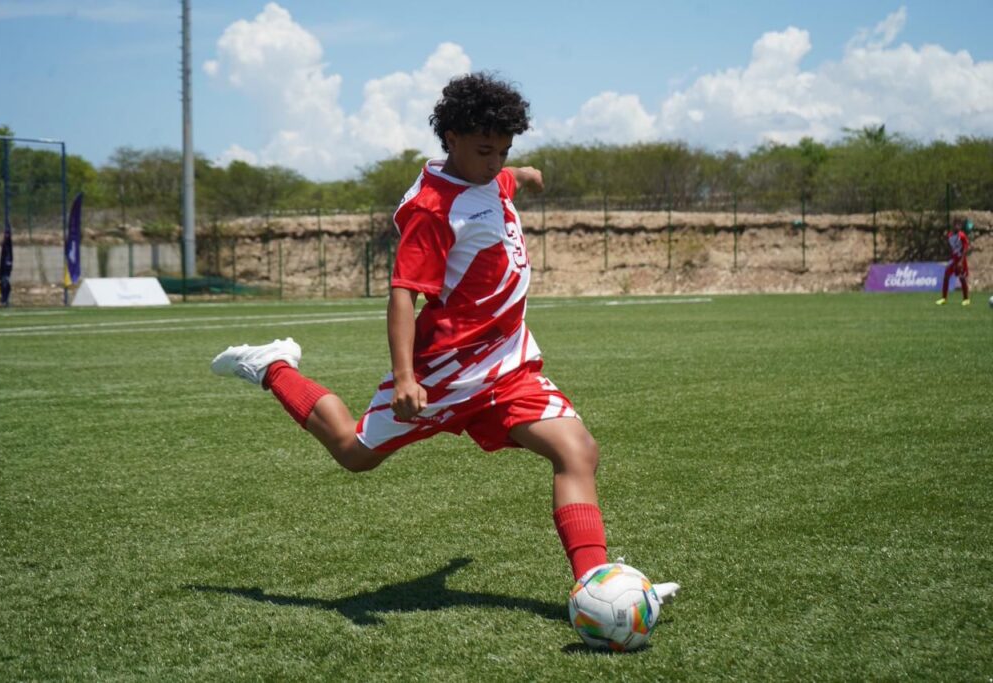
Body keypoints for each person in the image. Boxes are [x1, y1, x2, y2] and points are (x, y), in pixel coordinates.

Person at [210, 72, 678, 606]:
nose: (495, 162)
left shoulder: (488, 176)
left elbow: (503, 178)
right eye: (486, 151)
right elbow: (403, 295)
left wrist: (523, 172)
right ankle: (273, 367)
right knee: (353, 452)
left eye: (504, 151)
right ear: (451, 138)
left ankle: (596, 587)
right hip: (442, 374)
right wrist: (405, 378)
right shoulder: (434, 210)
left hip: (505, 365)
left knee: (577, 450)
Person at [937, 218, 972, 306]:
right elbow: (952, 248)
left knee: (962, 278)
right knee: (946, 275)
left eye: (959, 225)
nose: (958, 226)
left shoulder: (962, 236)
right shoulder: (950, 235)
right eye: (956, 225)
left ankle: (966, 299)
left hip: (961, 259)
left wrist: (961, 261)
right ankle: (944, 298)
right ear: (953, 225)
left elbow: (965, 249)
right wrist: (950, 258)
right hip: (954, 259)